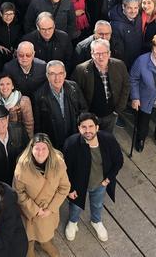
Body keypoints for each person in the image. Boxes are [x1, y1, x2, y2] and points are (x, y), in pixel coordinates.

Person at [62, 113, 123, 243]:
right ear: (79, 128)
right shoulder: (71, 143)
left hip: (100, 183)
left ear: (97, 127)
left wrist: (108, 179)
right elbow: (65, 169)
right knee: (75, 206)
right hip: (78, 185)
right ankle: (73, 222)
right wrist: (70, 189)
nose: (88, 130)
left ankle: (96, 221)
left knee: (97, 204)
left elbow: (118, 161)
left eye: (91, 126)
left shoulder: (108, 140)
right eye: (84, 127)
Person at [13, 133, 70, 257]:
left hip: (49, 208)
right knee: (29, 232)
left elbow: (64, 187)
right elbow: (18, 191)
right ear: (31, 148)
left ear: (49, 149)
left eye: (44, 148)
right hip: (29, 210)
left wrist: (50, 209)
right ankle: (30, 247)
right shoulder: (22, 167)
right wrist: (35, 210)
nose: (40, 152)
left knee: (46, 230)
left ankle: (45, 243)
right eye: (37, 148)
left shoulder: (58, 163)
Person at [73, 39, 130, 132]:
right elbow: (76, 93)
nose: (101, 57)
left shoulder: (119, 65)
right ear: (92, 54)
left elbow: (126, 86)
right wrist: (85, 113)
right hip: (90, 116)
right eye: (97, 53)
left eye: (104, 53)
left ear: (109, 53)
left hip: (111, 114)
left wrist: (119, 109)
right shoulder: (81, 70)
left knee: (107, 137)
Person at [33, 61, 87, 148]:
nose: (57, 78)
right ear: (47, 75)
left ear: (65, 74)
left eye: (60, 73)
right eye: (53, 74)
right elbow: (38, 126)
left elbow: (83, 109)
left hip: (74, 138)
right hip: (53, 143)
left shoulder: (74, 87)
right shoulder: (39, 96)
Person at [110, 0, 144, 68]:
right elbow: (118, 53)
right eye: (129, 8)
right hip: (125, 65)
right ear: (123, 7)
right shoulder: (116, 26)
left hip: (138, 61)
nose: (133, 11)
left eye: (136, 8)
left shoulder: (138, 17)